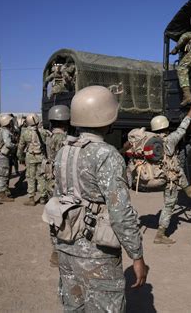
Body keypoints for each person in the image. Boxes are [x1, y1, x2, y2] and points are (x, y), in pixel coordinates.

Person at [52, 85, 147, 311]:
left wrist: (55, 246)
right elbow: (120, 213)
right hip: (98, 254)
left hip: (66, 247)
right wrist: (137, 255)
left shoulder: (64, 150)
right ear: (107, 117)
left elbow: (57, 200)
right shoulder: (107, 155)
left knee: (74, 307)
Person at [150, 104, 191, 244]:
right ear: (165, 126)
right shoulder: (169, 139)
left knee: (178, 169)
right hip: (169, 178)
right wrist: (190, 112)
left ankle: (188, 189)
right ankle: (160, 235)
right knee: (169, 205)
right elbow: (182, 129)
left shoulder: (154, 141)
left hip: (163, 174)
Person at [45, 104, 70, 267]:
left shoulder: (49, 137)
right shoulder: (63, 139)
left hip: (50, 180)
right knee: (64, 216)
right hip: (61, 182)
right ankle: (62, 250)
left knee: (53, 216)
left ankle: (55, 249)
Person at [17, 113, 48, 206]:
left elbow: (21, 147)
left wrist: (20, 157)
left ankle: (31, 199)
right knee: (41, 177)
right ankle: (43, 197)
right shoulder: (43, 132)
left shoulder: (25, 132)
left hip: (30, 157)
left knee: (31, 177)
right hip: (41, 157)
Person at [0, 114, 16, 202]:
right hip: (4, 157)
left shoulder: (1, 130)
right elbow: (8, 144)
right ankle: (2, 195)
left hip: (0, 156)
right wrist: (15, 145)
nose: (11, 122)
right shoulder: (5, 131)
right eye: (10, 121)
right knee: (3, 175)